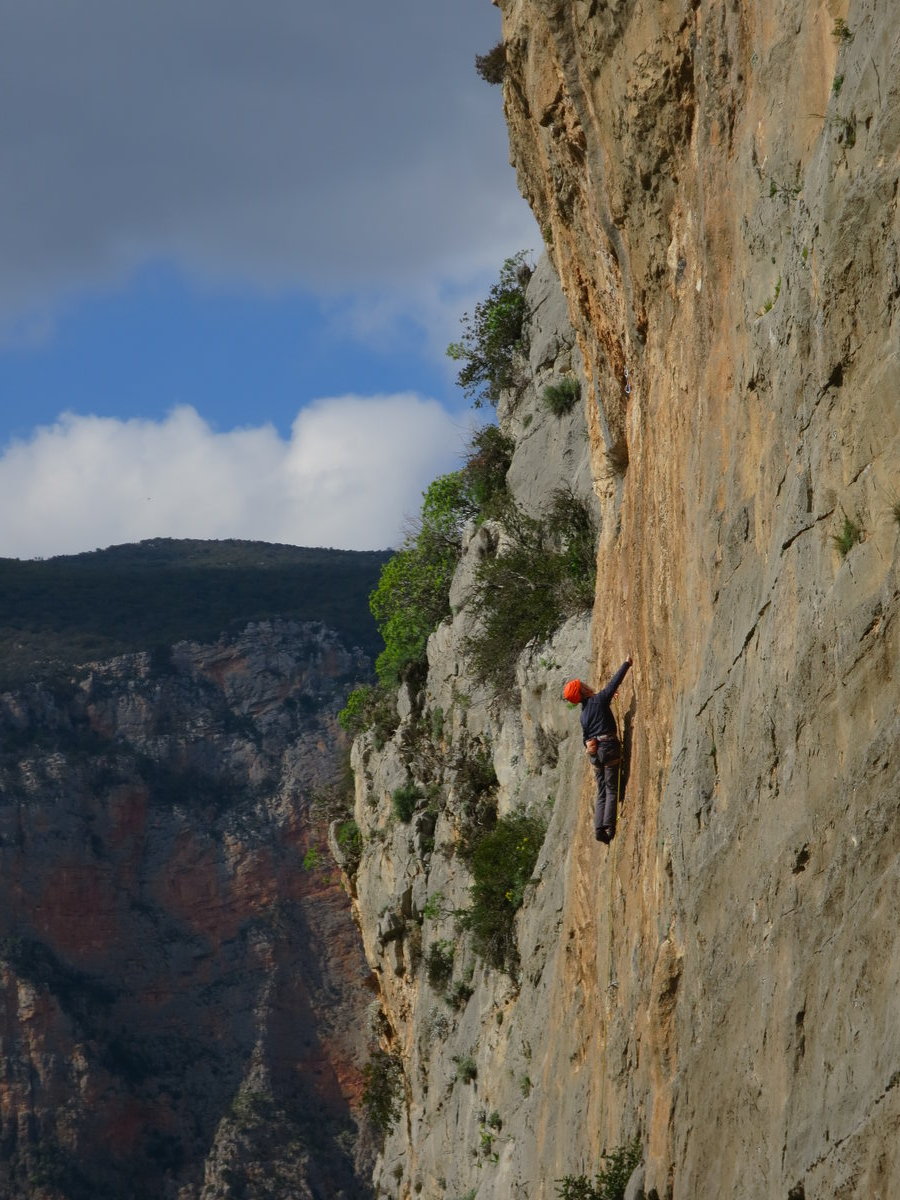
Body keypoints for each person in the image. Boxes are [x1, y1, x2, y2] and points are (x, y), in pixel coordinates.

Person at [563, 656, 633, 843]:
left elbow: (586, 737)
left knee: (602, 791)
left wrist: (589, 748)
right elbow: (613, 684)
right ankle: (609, 826)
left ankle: (598, 828)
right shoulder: (599, 700)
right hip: (609, 748)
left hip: (595, 754)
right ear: (584, 691)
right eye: (584, 685)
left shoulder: (584, 715)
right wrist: (626, 663)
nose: (587, 685)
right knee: (611, 790)